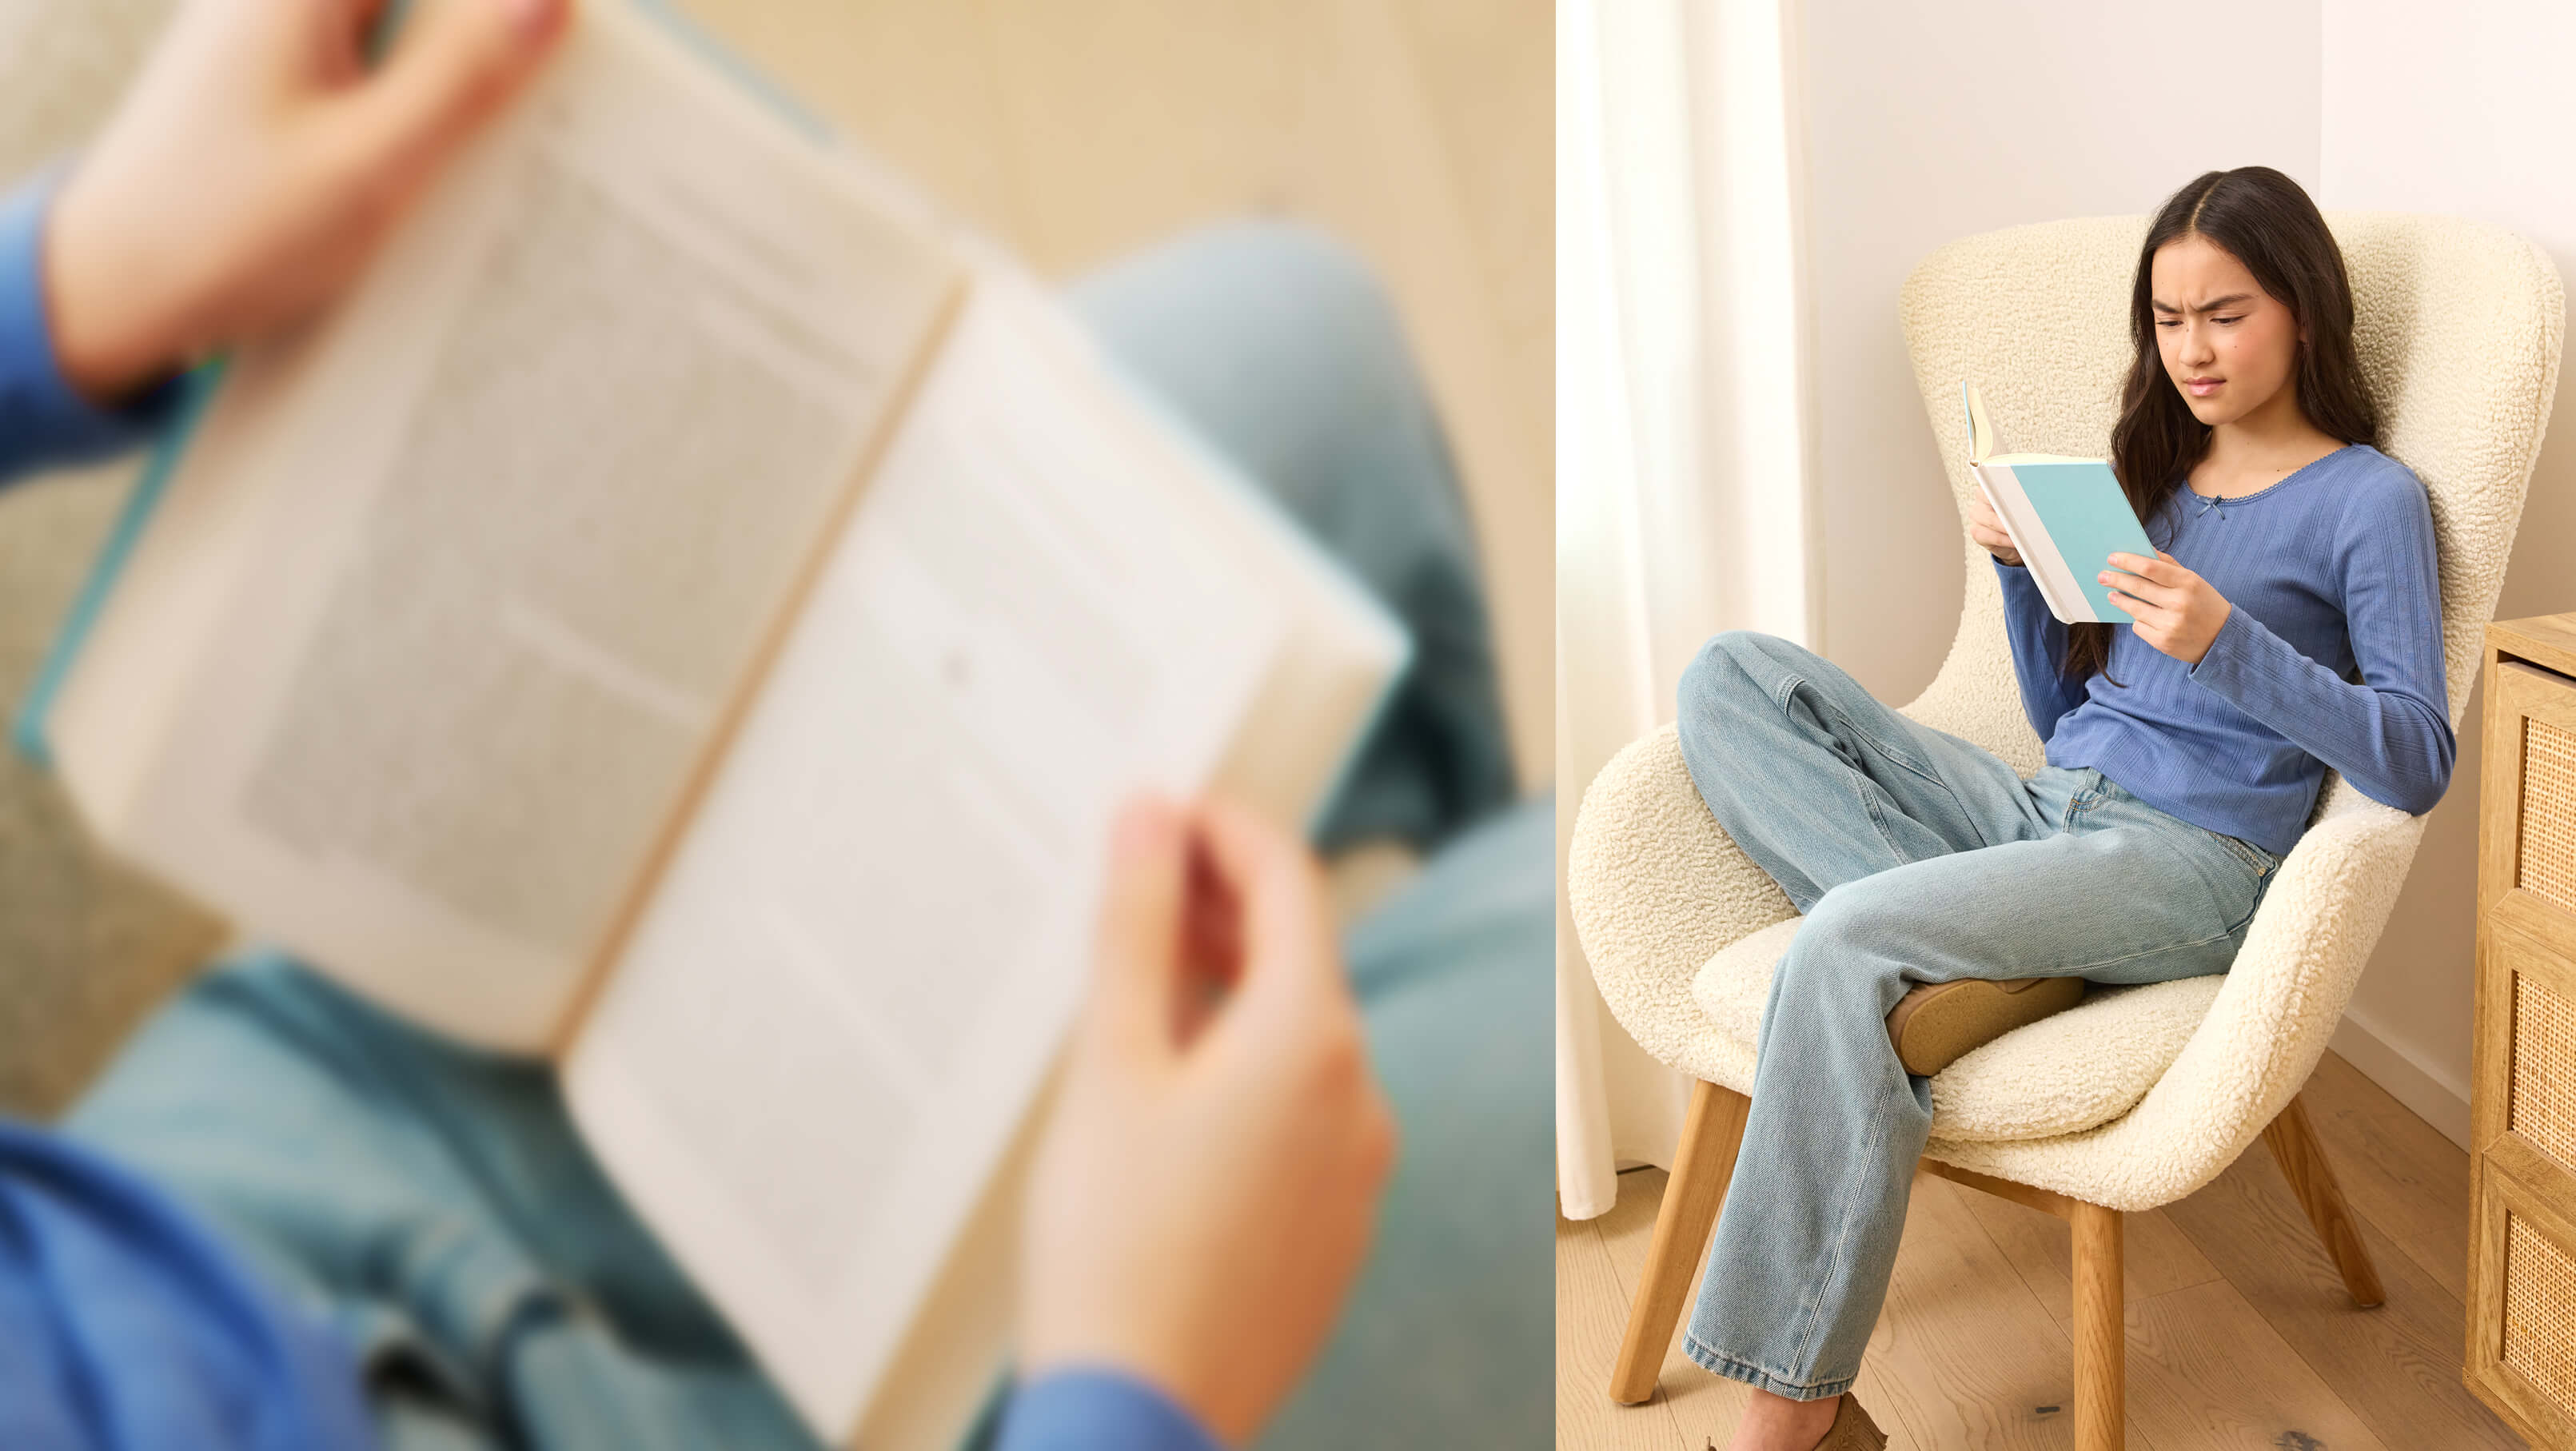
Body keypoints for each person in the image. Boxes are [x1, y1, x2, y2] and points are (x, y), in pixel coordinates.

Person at [0, 0, 1551, 1448]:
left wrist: (64, 292)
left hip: (189, 1189)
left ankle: (1355, 1014)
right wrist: (1133, 1390)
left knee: (1310, 345)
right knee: (1643, 965)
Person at [1671, 165, 2452, 1451]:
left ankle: (1788, 1422)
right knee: (1734, 679)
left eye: (2225, 312)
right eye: (2166, 318)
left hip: (2192, 859)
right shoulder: (2149, 475)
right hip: (2050, 804)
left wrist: (2229, 644)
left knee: (1849, 939)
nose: (2190, 349)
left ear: (2303, 310)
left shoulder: (2366, 501)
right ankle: (2002, 955)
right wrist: (2021, 578)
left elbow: (2415, 758)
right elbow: (2062, 713)